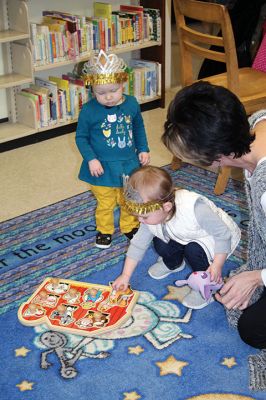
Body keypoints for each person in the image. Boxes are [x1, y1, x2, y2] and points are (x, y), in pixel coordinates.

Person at [162, 80, 266, 390]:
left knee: (252, 329)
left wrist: (258, 276)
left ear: (217, 156)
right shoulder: (258, 122)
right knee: (237, 295)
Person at [112, 165, 240, 309]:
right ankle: (173, 263)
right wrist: (125, 276)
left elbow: (223, 234)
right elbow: (138, 244)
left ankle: (205, 286)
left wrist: (217, 264)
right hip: (183, 233)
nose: (140, 220)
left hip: (214, 237)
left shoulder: (195, 209)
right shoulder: (154, 214)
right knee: (158, 238)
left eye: (144, 216)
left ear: (166, 207)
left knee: (193, 250)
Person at [75, 50, 150, 249]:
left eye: (114, 91)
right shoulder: (89, 110)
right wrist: (91, 159)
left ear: (122, 84)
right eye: (101, 93)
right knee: (105, 203)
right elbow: (81, 137)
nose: (108, 97)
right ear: (92, 90)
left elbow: (138, 127)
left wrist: (143, 148)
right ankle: (105, 230)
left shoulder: (132, 104)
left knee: (129, 200)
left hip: (128, 165)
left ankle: (129, 226)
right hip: (101, 168)